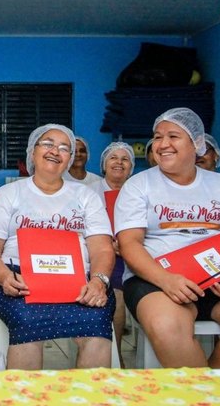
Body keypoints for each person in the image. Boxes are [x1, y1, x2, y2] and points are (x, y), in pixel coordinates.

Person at [115, 108, 220, 368]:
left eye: (173, 136)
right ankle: (203, 395)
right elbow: (129, 244)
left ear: (197, 144)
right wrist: (166, 280)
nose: (162, 144)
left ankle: (211, 391)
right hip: (156, 278)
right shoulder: (139, 185)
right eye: (157, 137)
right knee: (168, 326)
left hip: (219, 279)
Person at [0, 124, 116, 370]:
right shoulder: (9, 194)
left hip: (79, 281)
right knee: (28, 319)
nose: (55, 151)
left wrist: (98, 281)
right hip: (19, 281)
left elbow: (102, 249)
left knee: (96, 317)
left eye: (65, 148)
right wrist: (5, 278)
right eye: (48, 144)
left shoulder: (86, 196)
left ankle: (90, 397)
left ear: (70, 159)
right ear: (33, 151)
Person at [88, 141, 135, 366]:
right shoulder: (90, 192)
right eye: (113, 158)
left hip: (135, 251)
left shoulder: (137, 190)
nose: (119, 163)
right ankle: (115, 358)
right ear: (104, 164)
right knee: (115, 294)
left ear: (131, 167)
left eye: (125, 159)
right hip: (105, 253)